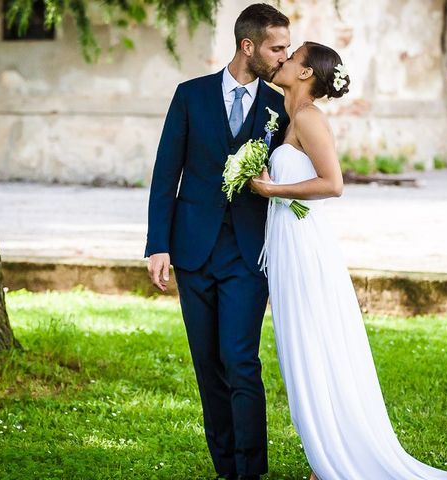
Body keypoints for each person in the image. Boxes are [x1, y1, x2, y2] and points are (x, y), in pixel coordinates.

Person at [249, 41, 447, 480]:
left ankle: (337, 449)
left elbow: (333, 184)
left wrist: (273, 190)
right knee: (304, 344)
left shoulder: (309, 118)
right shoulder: (291, 115)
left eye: (292, 58)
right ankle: (326, 447)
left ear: (307, 73)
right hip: (290, 242)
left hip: (307, 246)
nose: (283, 60)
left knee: (317, 342)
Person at [145, 4, 290, 479]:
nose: (283, 57)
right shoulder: (190, 96)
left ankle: (251, 472)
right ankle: (225, 469)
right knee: (208, 367)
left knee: (240, 361)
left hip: (249, 256)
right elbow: (167, 173)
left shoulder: (279, 107)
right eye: (276, 48)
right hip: (193, 252)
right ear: (248, 46)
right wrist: (158, 244)